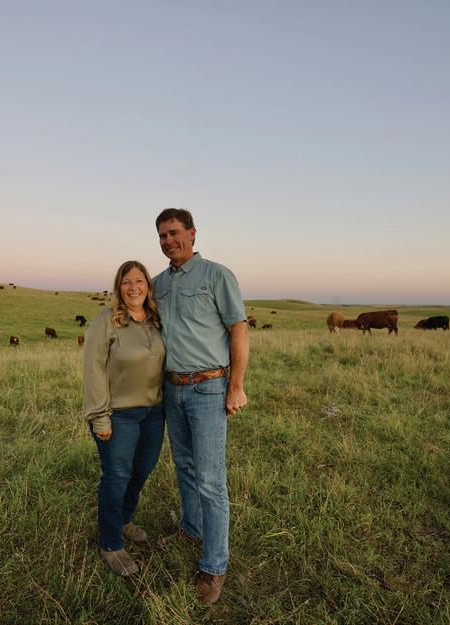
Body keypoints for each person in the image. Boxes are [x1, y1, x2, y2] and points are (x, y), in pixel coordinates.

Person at [152, 208, 249, 605]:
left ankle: (215, 564)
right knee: (185, 466)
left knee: (210, 479)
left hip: (209, 387)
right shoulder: (158, 284)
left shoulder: (216, 275)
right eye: (162, 235)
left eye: (175, 233)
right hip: (172, 388)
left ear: (192, 234)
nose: (168, 241)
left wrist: (235, 386)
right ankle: (192, 529)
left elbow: (238, 330)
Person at [83, 260, 166, 576]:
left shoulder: (155, 321)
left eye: (139, 281)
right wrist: (100, 417)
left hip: (154, 413)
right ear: (119, 287)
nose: (134, 287)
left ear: (148, 286)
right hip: (118, 414)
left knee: (141, 471)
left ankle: (124, 519)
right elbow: (93, 369)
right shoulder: (106, 320)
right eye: (127, 281)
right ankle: (110, 543)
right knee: (117, 476)